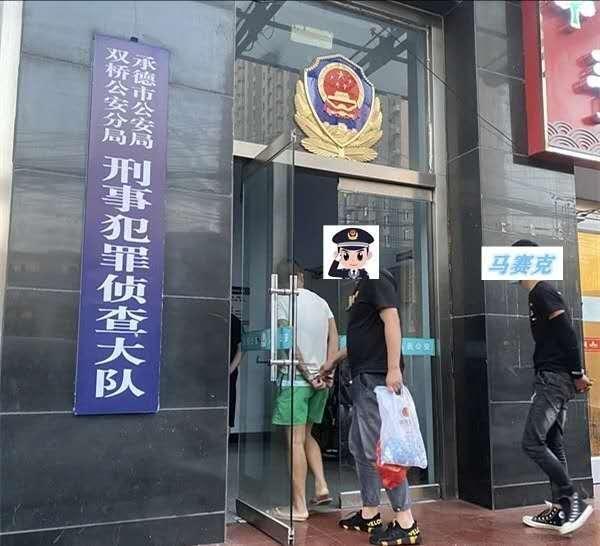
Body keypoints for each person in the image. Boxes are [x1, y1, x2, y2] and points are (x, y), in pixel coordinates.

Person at [321, 269, 421, 546]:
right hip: (364, 377)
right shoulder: (362, 286)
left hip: (378, 378)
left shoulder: (377, 278)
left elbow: (392, 320)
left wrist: (393, 369)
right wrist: (334, 360)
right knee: (360, 446)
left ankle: (406, 522)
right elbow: (362, 337)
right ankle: (370, 513)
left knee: (382, 448)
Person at [512, 240, 594, 535]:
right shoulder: (536, 295)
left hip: (555, 379)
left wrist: (577, 373)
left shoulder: (542, 291)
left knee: (532, 442)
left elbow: (567, 332)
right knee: (553, 443)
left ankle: (573, 499)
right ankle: (561, 509)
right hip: (554, 377)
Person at [271, 260, 339, 522]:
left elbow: (287, 340)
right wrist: (328, 371)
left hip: (298, 382)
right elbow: (334, 337)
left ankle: (298, 507)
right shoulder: (322, 302)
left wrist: (308, 374)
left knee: (295, 441)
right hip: (321, 381)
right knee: (307, 435)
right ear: (300, 276)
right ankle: (321, 486)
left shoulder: (282, 300)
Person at [228, 313, 242, 429]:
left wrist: (230, 370)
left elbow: (242, 348)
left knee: (227, 414)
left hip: (228, 375)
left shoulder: (233, 320)